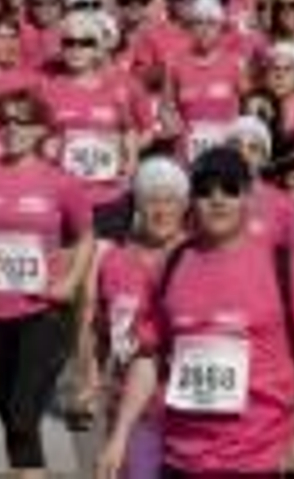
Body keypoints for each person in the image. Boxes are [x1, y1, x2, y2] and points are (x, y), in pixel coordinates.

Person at [98, 146, 294, 478]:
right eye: (204, 190)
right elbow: (149, 356)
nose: (217, 199)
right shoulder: (173, 264)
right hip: (182, 459)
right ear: (191, 201)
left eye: (229, 188)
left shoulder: (282, 265)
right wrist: (121, 434)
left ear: (247, 198)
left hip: (262, 459)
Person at [0, 88, 94, 478]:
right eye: (5, 121)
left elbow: (84, 236)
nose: (12, 129)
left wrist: (71, 282)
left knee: (24, 413)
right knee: (15, 420)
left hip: (43, 313)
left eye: (23, 121)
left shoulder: (62, 183)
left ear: (42, 129)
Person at [87, 156, 189, 479]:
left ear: (185, 205)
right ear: (138, 206)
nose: (161, 211)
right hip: (131, 410)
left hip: (189, 411)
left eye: (170, 200)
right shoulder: (114, 260)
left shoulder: (199, 258)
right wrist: (91, 377)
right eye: (151, 201)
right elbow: (97, 327)